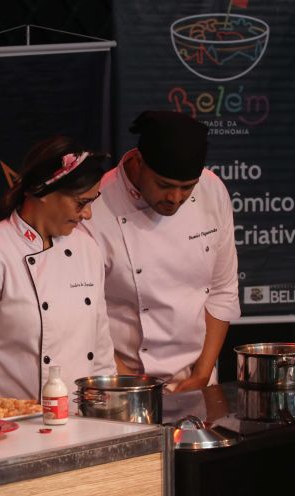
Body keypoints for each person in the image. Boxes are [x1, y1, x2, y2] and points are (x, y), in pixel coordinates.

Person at [0, 136, 115, 408]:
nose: (88, 215)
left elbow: (102, 351)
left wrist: (108, 420)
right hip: (14, 429)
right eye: (81, 203)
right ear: (44, 192)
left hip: (83, 424)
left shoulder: (88, 249)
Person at [81, 111, 240, 392]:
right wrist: (134, 385)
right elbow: (84, 316)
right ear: (139, 163)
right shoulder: (97, 205)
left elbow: (222, 289)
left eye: (186, 188)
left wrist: (202, 374)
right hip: (120, 381)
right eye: (165, 185)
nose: (174, 198)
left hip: (196, 379)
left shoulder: (213, 190)